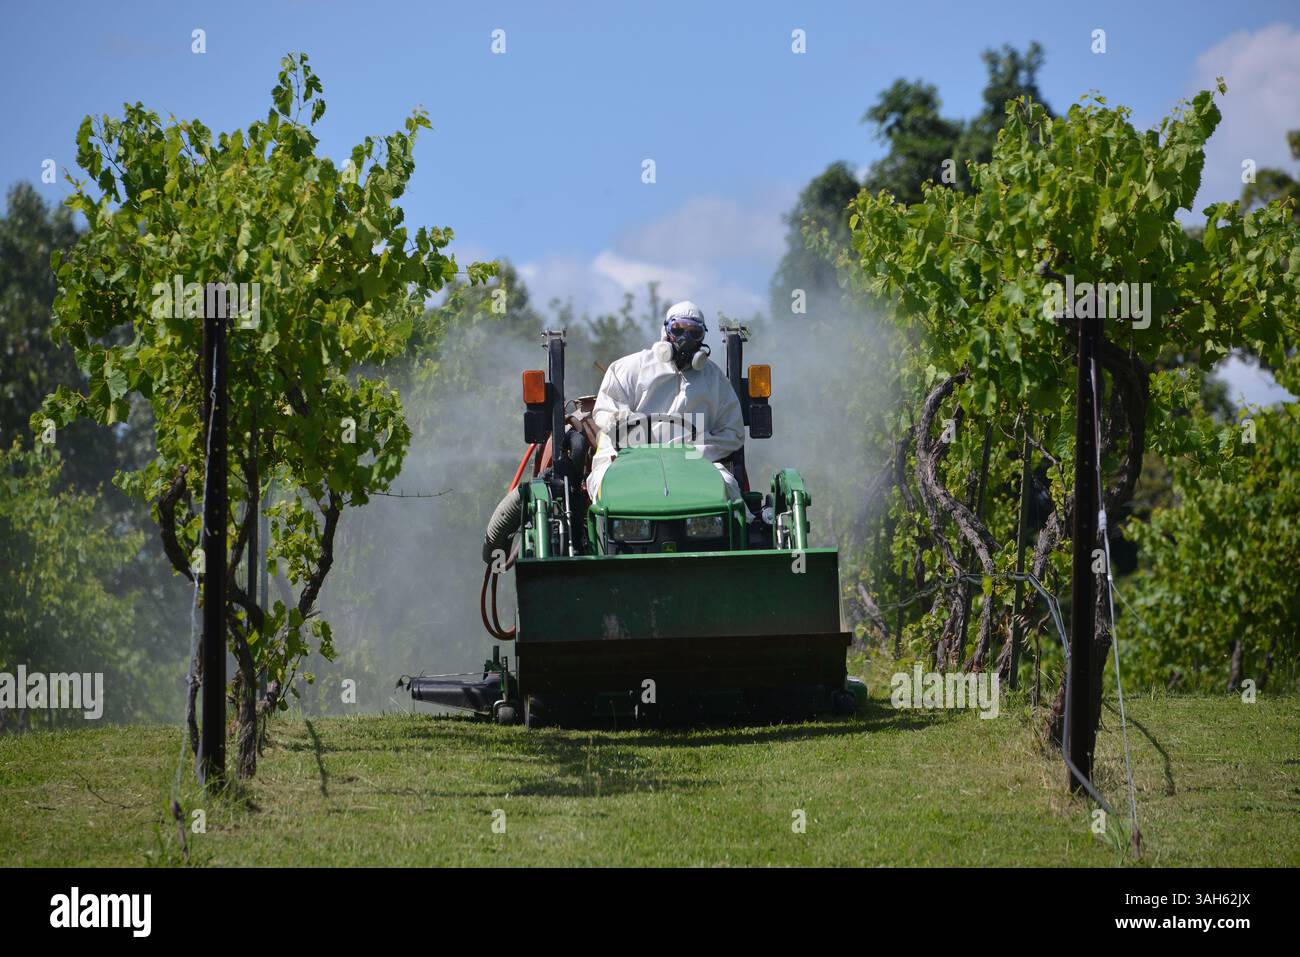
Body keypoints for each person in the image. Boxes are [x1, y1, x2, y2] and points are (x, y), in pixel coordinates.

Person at [587, 300, 745, 500]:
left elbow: (733, 431)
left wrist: (696, 452)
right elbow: (604, 411)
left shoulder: (714, 378)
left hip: (693, 464)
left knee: (728, 487)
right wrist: (627, 427)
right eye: (678, 329)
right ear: (666, 331)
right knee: (609, 491)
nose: (685, 338)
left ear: (702, 337)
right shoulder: (628, 368)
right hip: (626, 460)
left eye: (694, 332)